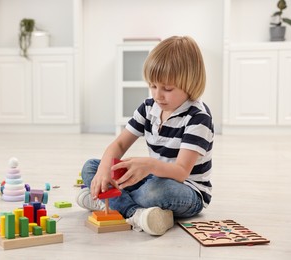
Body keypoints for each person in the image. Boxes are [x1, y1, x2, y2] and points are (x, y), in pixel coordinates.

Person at [76, 36, 214, 236]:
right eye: (153, 86)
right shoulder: (149, 107)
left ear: (190, 83)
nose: (158, 95)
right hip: (152, 177)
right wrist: (105, 169)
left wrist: (148, 165)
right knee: (92, 167)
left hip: (186, 191)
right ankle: (137, 213)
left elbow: (181, 172)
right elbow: (120, 144)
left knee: (153, 191)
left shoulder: (198, 117)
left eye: (167, 88)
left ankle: (108, 201)